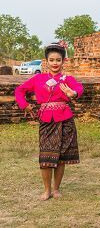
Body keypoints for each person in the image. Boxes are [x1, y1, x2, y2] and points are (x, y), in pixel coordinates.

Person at [15, 41, 83, 200]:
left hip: (65, 120)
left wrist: (73, 93)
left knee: (61, 157)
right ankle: (46, 190)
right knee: (46, 157)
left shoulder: (68, 79)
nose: (55, 63)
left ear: (63, 61)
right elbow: (19, 90)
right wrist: (24, 105)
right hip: (46, 120)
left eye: (58, 60)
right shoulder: (38, 79)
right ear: (46, 61)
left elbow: (79, 89)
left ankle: (56, 189)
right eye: (52, 60)